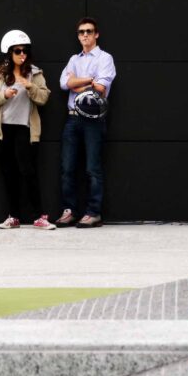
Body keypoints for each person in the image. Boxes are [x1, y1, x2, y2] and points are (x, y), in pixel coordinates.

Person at [0, 30, 55, 230]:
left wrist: (30, 87)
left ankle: (40, 217)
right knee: (9, 173)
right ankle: (13, 216)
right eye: (17, 51)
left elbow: (44, 98)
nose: (22, 54)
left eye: (25, 50)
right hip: (2, 129)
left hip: (24, 129)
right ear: (9, 52)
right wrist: (4, 94)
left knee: (28, 171)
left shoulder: (35, 72)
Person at [56, 17, 116, 228]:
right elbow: (64, 83)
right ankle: (69, 211)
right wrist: (90, 80)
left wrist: (78, 83)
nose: (85, 35)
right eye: (81, 32)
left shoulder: (105, 58)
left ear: (96, 34)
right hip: (72, 118)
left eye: (89, 31)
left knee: (92, 168)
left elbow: (100, 88)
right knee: (67, 168)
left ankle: (93, 212)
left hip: (93, 120)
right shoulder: (74, 59)